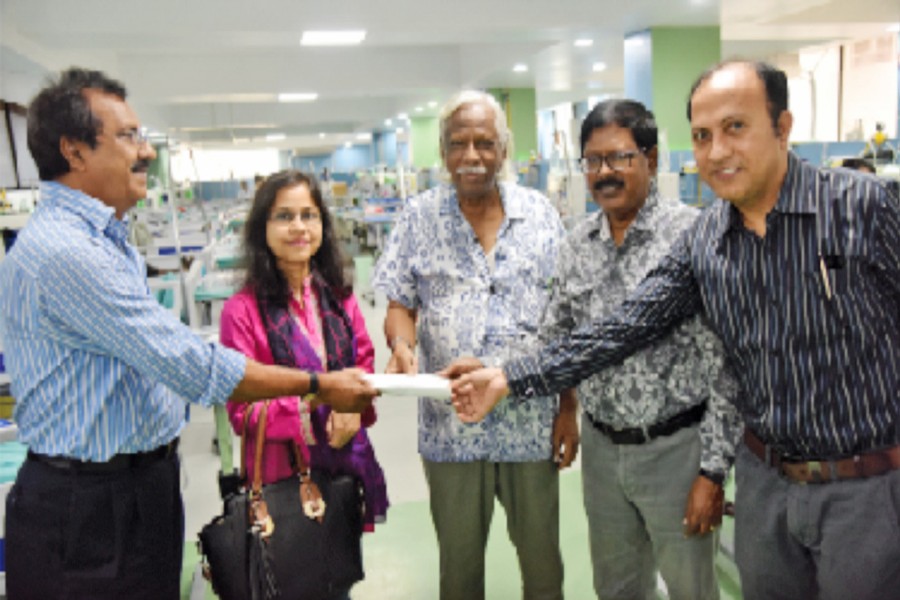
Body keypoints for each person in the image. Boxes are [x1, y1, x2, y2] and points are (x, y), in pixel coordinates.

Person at [448, 60, 900, 600]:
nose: (716, 152)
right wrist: (509, 375)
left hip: (864, 487)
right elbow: (624, 326)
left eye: (736, 128)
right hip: (766, 485)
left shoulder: (861, 207)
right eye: (703, 135)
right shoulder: (706, 240)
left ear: (782, 127)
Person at [0, 67, 376, 600]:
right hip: (87, 505)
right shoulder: (68, 252)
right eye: (128, 135)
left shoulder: (108, 241)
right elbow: (194, 368)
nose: (147, 151)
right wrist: (317, 386)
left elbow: (158, 351)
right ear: (74, 151)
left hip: (132, 486)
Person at [372, 90, 575, 600]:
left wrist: (568, 406)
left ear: (503, 150)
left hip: (530, 418)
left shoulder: (541, 215)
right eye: (458, 144)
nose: (471, 156)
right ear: (443, 152)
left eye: (484, 143)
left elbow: (567, 320)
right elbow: (400, 301)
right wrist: (401, 344)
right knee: (459, 573)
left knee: (543, 566)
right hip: (452, 423)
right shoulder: (419, 218)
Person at [540, 98, 741, 600]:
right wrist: (565, 405)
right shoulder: (575, 245)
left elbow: (728, 362)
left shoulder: (695, 237)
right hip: (603, 455)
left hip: (677, 451)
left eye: (619, 158)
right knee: (618, 589)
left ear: (651, 160)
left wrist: (712, 471)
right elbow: (557, 338)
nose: (604, 172)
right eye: (593, 161)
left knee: (691, 588)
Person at [218, 169, 389, 597]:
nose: (299, 227)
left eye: (309, 215)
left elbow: (363, 363)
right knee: (292, 580)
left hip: (342, 465)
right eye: (284, 216)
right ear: (263, 228)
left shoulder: (339, 297)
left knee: (338, 578)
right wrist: (315, 402)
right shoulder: (242, 312)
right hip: (282, 477)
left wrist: (352, 409)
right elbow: (242, 411)